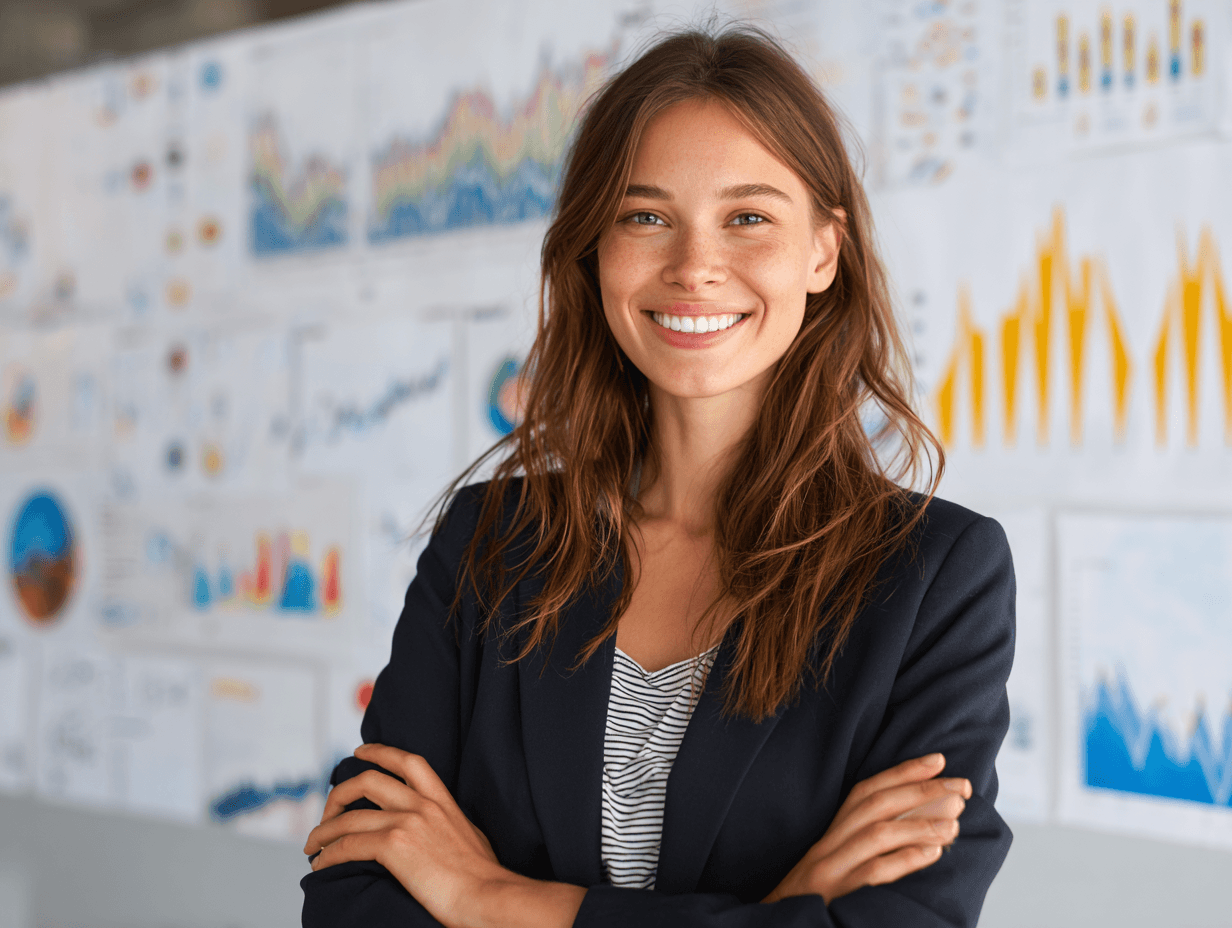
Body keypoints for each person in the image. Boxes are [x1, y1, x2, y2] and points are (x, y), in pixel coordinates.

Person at [300, 25, 1014, 928]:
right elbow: (354, 902)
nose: (693, 267)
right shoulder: (487, 542)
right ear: (595, 250)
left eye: (748, 217)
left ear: (823, 253)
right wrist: (780, 911)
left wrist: (491, 899)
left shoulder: (936, 576)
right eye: (645, 216)